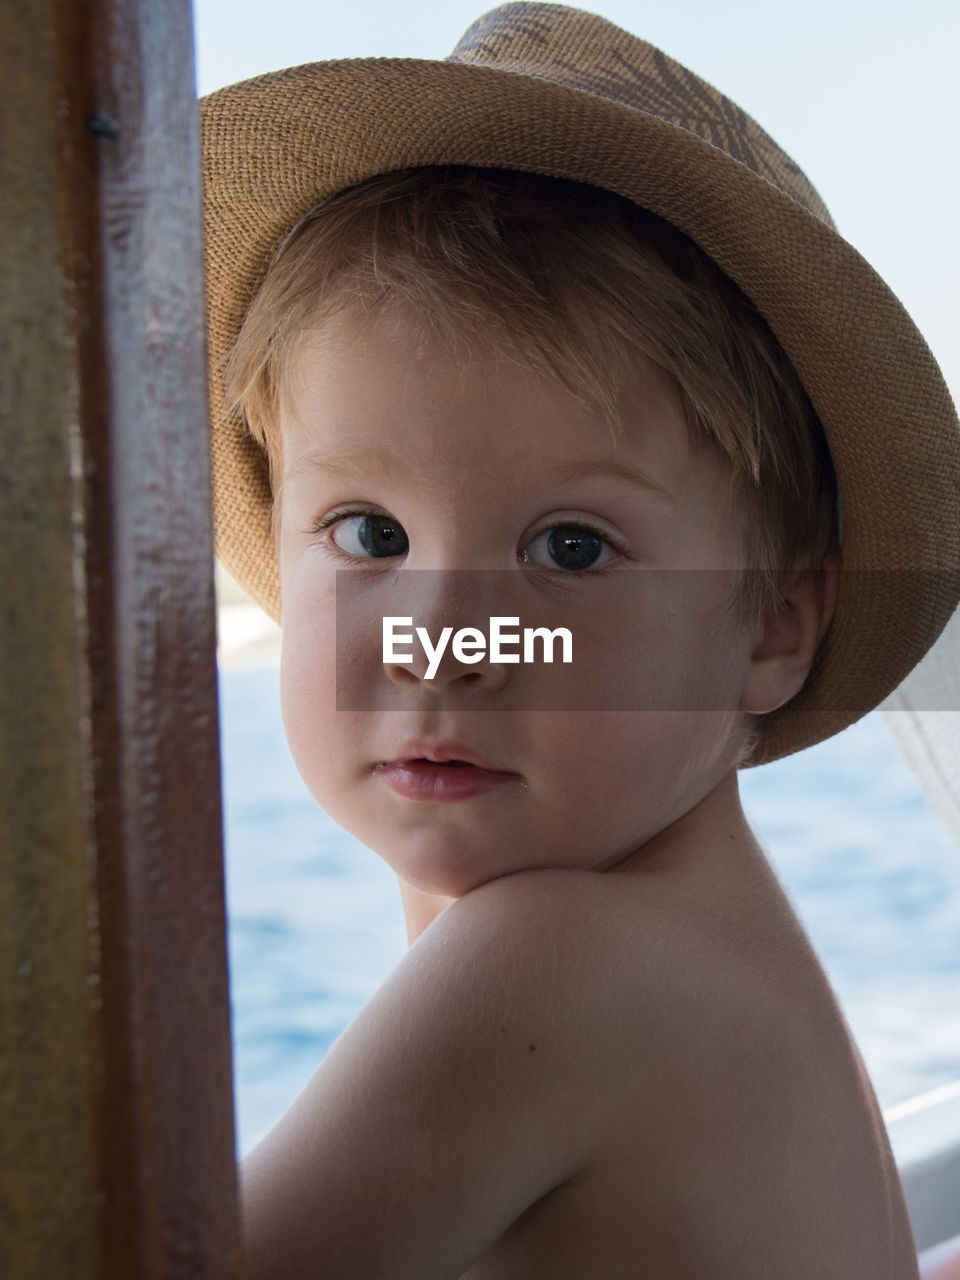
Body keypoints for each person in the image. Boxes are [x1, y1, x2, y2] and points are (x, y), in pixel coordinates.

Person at [200, 4, 960, 1276]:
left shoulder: (553, 965)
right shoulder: (710, 942)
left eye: (569, 549)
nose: (441, 643)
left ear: (776, 623)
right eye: (369, 533)